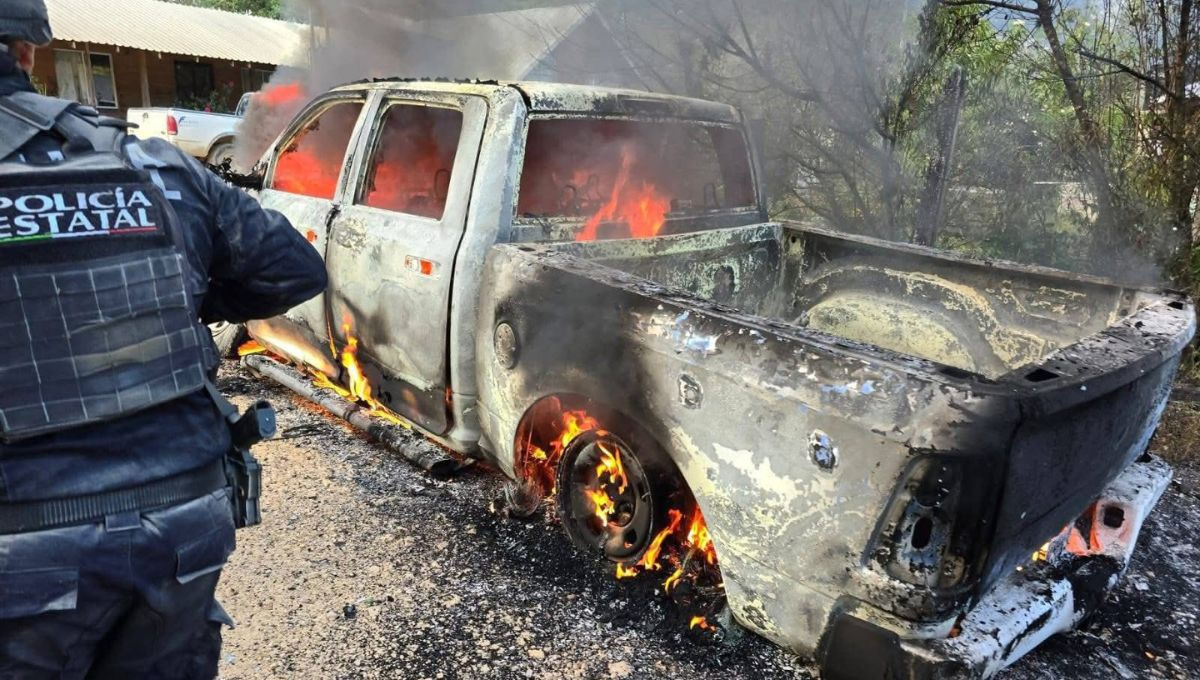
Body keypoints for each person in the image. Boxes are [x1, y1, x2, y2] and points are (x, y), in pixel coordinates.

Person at [0, 1, 328, 678]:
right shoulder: (150, 163)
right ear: (28, 52)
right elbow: (292, 267)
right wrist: (179, 295)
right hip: (185, 515)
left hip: (25, 542)